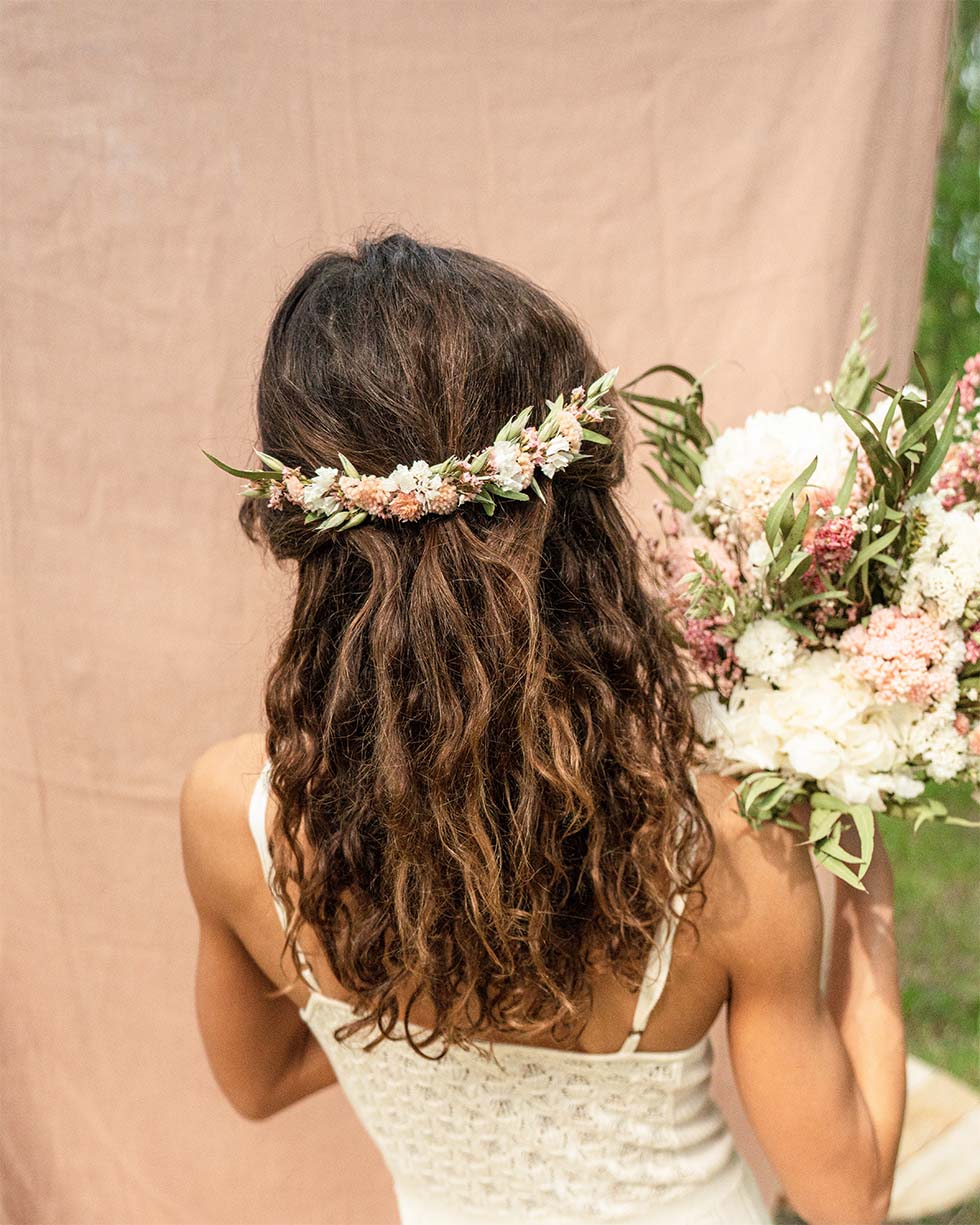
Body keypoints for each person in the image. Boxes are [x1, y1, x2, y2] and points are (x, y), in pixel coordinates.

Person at [180, 232, 906, 1225]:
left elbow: (257, 1082)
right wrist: (870, 882)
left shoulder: (232, 817)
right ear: (579, 510)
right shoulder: (728, 844)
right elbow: (849, 1195)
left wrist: (403, 1013)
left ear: (302, 522)